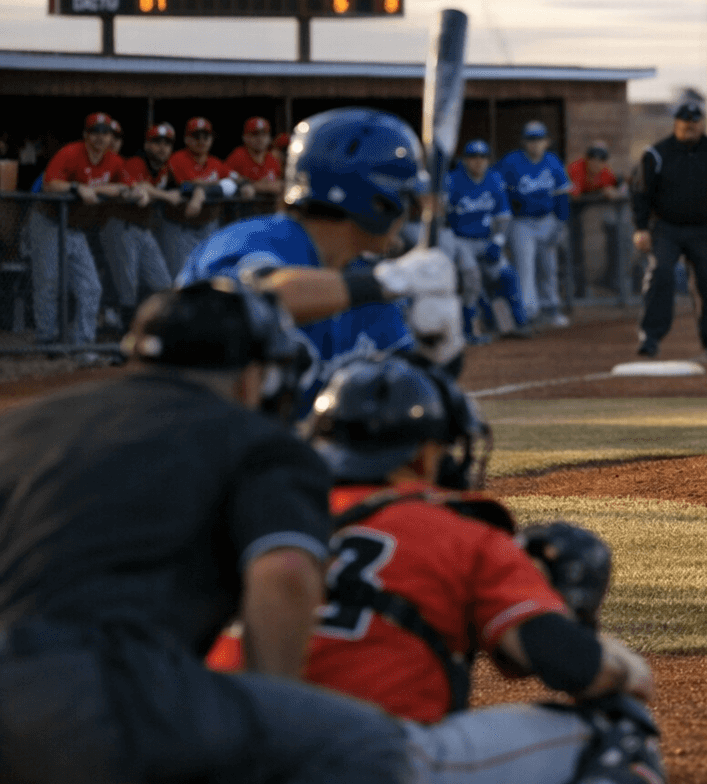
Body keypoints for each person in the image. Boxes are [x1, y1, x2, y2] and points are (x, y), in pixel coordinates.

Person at [0, 278, 414, 784]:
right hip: (100, 685)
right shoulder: (259, 441)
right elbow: (284, 573)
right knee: (365, 742)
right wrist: (270, 724)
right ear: (252, 377)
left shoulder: (19, 426)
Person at [282, 357, 665, 782]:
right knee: (619, 729)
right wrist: (623, 667)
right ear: (424, 456)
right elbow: (566, 663)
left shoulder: (267, 520)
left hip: (246, 748)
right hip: (373, 756)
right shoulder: (458, 531)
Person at [179, 106, 463, 417]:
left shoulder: (366, 283)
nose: (407, 214)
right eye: (404, 198)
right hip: (196, 435)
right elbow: (253, 301)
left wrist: (438, 354)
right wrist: (389, 281)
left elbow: (400, 399)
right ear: (378, 203)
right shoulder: (252, 240)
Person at [631, 98, 707, 358]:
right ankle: (650, 338)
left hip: (704, 228)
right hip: (666, 228)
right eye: (685, 121)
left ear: (703, 123)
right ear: (676, 123)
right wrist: (641, 227)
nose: (689, 126)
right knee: (661, 275)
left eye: (695, 121)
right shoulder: (657, 154)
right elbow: (640, 193)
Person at [26, 111, 125, 346]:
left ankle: (83, 342)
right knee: (48, 282)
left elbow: (128, 186)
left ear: (111, 137)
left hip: (74, 226)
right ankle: (47, 339)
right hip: (48, 221)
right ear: (85, 135)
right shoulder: (70, 153)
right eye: (95, 131)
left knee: (91, 286)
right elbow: (50, 185)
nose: (100, 137)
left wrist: (102, 190)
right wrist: (76, 187)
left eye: (105, 132)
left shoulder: (114, 161)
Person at [444, 138, 530, 342]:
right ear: (465, 160)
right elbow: (441, 216)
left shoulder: (494, 179)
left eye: (483, 157)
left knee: (507, 275)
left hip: (486, 239)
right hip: (460, 240)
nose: (478, 161)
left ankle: (518, 322)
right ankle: (469, 330)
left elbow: (503, 216)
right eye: (473, 157)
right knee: (472, 278)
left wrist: (498, 242)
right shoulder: (452, 180)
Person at [99, 122, 179, 327]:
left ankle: (155, 329)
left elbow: (180, 187)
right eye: (157, 142)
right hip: (121, 226)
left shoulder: (165, 168)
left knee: (163, 283)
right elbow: (138, 186)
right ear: (147, 145)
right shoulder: (136, 162)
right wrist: (165, 196)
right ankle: (126, 336)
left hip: (143, 229)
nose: (162, 147)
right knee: (127, 288)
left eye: (167, 143)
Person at [496, 120, 572, 328]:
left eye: (539, 139)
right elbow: (496, 188)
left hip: (547, 220)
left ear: (547, 141)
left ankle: (550, 308)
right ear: (524, 142)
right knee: (525, 268)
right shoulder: (511, 162)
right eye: (531, 140)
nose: (535, 144)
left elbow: (562, 195)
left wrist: (560, 223)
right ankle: (529, 313)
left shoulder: (553, 162)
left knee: (549, 266)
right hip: (521, 223)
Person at [161, 116, 250, 274]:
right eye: (196, 136)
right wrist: (218, 185)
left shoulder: (215, 162)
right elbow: (188, 186)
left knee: (206, 273)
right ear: (187, 139)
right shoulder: (177, 158)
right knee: (180, 275)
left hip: (207, 224)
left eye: (206, 137)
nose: (201, 141)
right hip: (180, 226)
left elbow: (237, 179)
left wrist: (245, 185)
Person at [568, 141, 625, 296]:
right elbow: (574, 196)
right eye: (593, 158)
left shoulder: (606, 172)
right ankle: (576, 286)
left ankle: (611, 279)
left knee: (615, 230)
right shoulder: (577, 168)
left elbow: (620, 188)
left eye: (601, 159)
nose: (596, 163)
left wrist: (613, 190)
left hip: (583, 207)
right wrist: (601, 193)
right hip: (568, 211)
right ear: (587, 159)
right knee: (572, 244)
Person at [226, 115, 286, 195]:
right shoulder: (237, 157)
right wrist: (258, 186)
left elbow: (279, 184)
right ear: (245, 137)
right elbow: (227, 183)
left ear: (269, 138)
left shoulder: (273, 159)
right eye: (255, 134)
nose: (260, 138)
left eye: (264, 134)